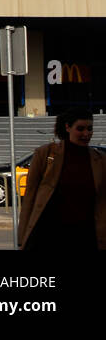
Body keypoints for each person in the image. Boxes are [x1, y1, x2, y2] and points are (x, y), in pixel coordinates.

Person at [19, 107, 105, 251]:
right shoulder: (45, 154)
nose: (86, 134)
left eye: (90, 129)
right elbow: (30, 197)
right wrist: (22, 237)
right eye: (80, 128)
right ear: (67, 127)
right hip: (50, 235)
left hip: (86, 236)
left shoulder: (100, 160)